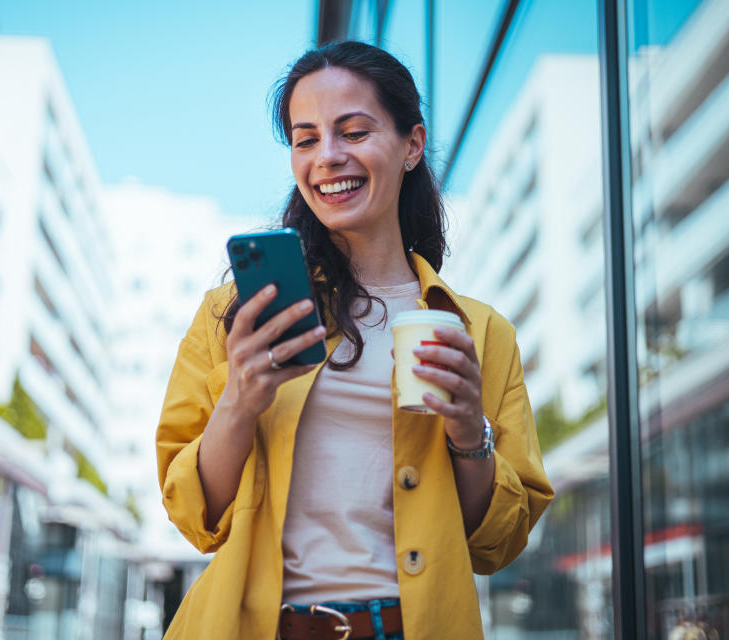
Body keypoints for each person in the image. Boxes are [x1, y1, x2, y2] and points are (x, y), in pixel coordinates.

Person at [156, 40, 554, 639]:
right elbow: (194, 517)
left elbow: (498, 543)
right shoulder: (235, 312)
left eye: (354, 132)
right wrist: (239, 399)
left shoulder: (482, 333)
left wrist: (470, 433)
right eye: (306, 138)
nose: (328, 158)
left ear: (411, 145)